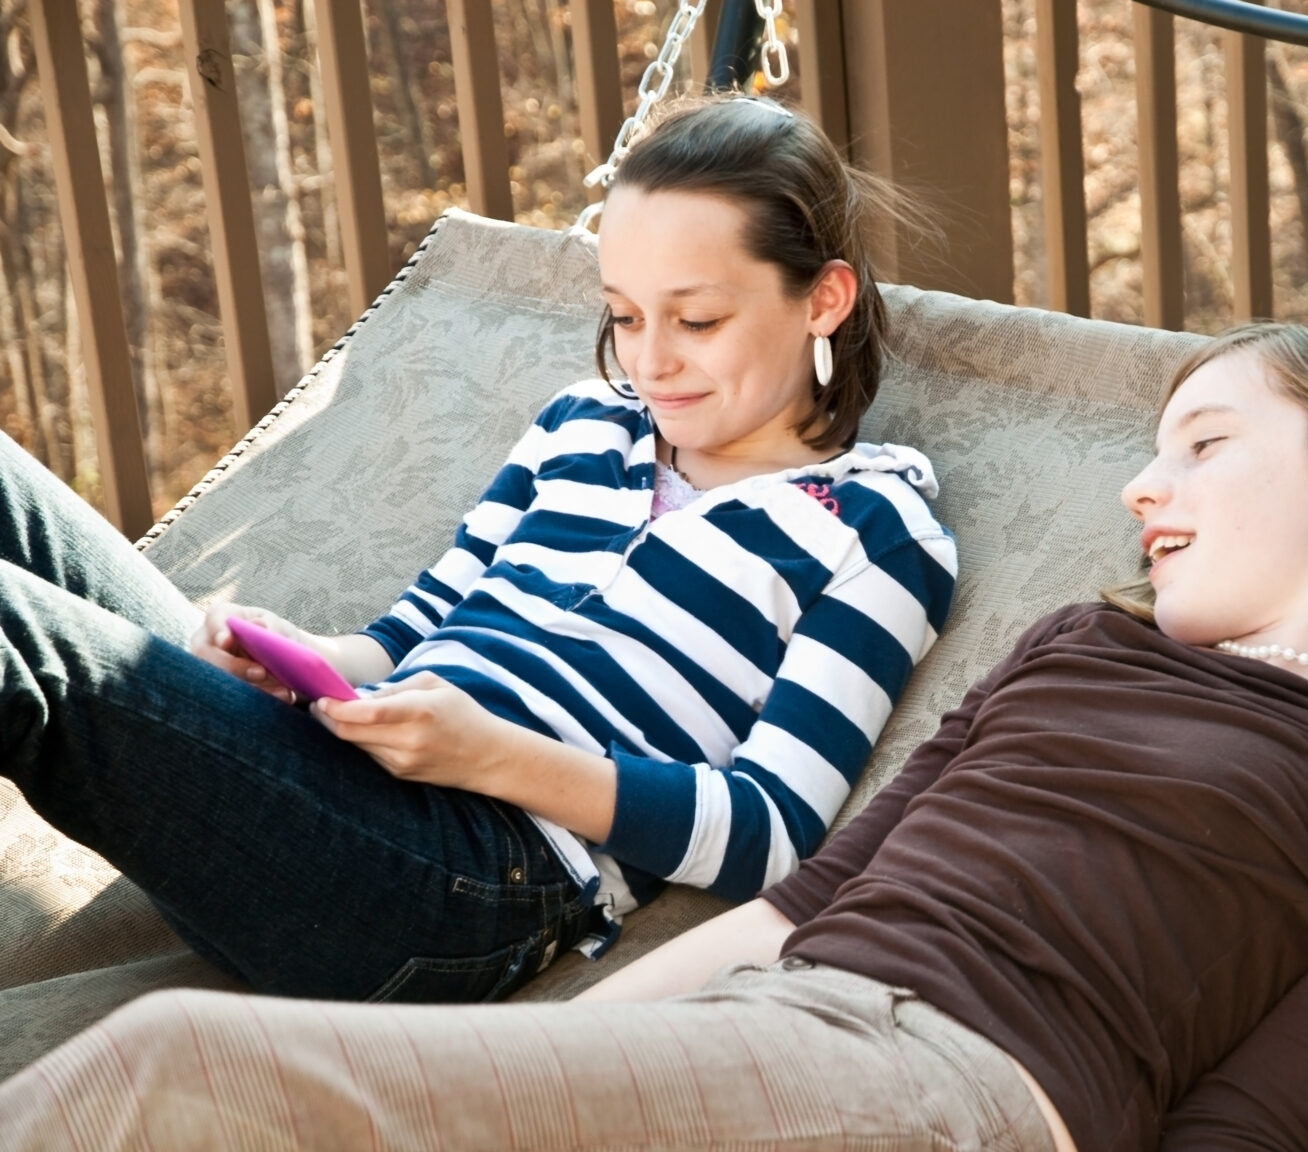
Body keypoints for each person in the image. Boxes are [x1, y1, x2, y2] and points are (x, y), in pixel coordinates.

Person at [0, 322, 1308, 1152]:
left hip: (958, 1090)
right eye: (1150, 454)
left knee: (176, 1063)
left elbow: (1259, 1124)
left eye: (1203, 448)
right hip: (765, 1032)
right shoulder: (1076, 647)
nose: (1143, 491)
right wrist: (490, 1072)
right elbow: (797, 910)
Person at [0, 95, 956, 1004]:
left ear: (823, 298)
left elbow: (773, 834)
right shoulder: (583, 426)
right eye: (624, 316)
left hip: (469, 883)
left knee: (18, 636)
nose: (649, 360)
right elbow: (415, 628)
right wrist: (300, 660)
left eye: (696, 320)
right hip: (338, 776)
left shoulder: (873, 532)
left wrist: (489, 757)